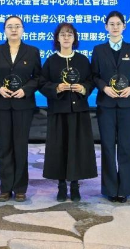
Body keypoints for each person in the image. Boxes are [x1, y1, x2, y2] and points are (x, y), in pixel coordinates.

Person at [0, 16, 42, 202]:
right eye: (10, 26)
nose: (14, 29)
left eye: (17, 26)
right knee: (4, 146)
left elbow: (38, 77)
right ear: (4, 30)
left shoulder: (32, 51)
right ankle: (5, 188)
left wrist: (25, 90)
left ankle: (20, 188)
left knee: (20, 146)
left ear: (23, 29)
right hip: (1, 104)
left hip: (23, 104)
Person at [39, 23, 97, 202]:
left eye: (69, 34)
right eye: (62, 34)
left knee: (77, 148)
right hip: (58, 111)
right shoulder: (51, 61)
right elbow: (42, 83)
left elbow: (91, 80)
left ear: (74, 38)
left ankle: (75, 185)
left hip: (78, 111)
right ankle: (61, 185)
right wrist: (56, 88)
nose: (66, 37)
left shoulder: (82, 60)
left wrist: (83, 88)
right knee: (59, 148)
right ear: (57, 38)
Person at [91, 10, 130, 203]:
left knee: (126, 146)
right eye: (111, 24)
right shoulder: (98, 50)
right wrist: (104, 88)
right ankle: (110, 189)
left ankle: (125, 189)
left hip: (127, 104)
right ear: (106, 27)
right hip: (106, 104)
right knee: (107, 147)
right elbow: (94, 75)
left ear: (124, 26)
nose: (115, 27)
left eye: (118, 24)